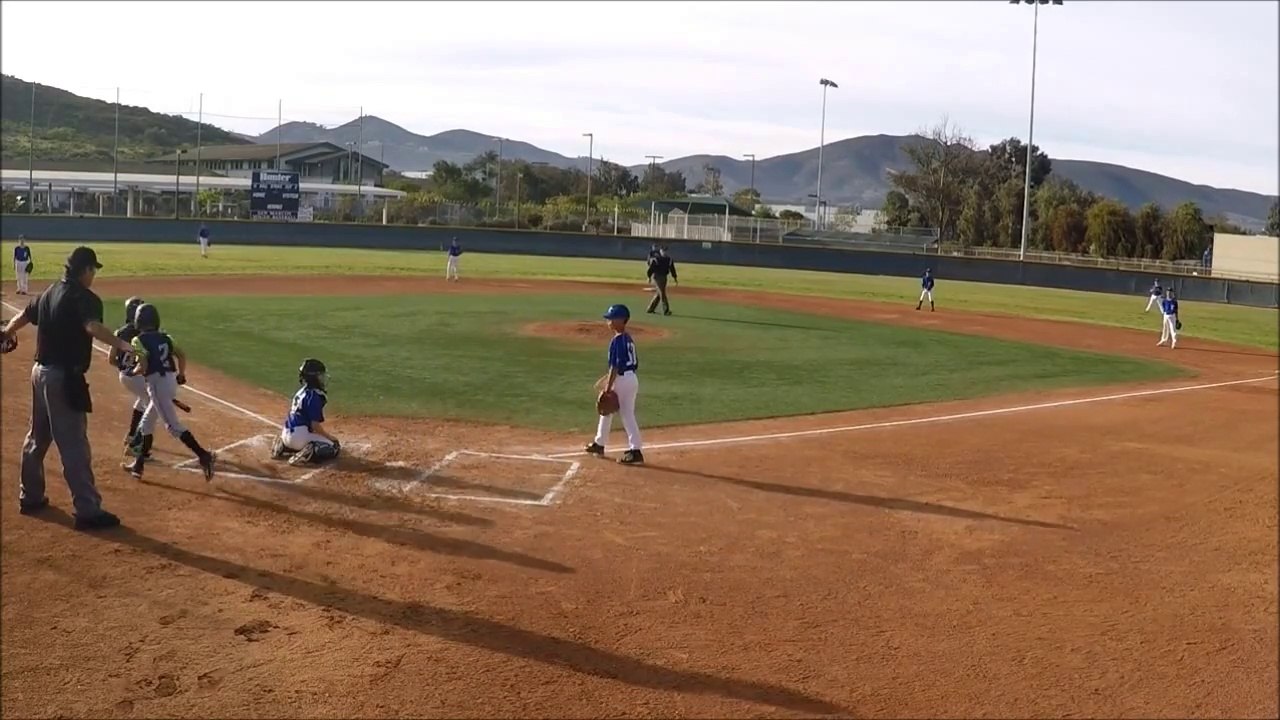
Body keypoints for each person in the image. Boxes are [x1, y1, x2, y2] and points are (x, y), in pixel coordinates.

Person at [0, 246, 136, 529]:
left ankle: (30, 496)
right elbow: (92, 327)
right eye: (93, 270)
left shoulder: (50, 291)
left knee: (37, 438)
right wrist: (123, 344)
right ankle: (88, 510)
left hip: (39, 374)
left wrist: (6, 332)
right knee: (74, 445)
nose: (94, 275)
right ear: (86, 270)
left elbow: (24, 315)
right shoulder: (85, 298)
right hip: (63, 378)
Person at [123, 303, 216, 480]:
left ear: (138, 321)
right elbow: (181, 355)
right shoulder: (166, 337)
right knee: (146, 424)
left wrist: (132, 372)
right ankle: (138, 465)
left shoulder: (138, 340)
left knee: (173, 427)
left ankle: (204, 456)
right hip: (170, 380)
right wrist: (181, 374)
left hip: (157, 385)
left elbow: (143, 366)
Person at [584, 304, 644, 465]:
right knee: (609, 412)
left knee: (622, 413)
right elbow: (630, 363)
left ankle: (635, 451)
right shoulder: (628, 338)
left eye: (611, 319)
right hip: (630, 378)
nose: (608, 321)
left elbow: (615, 366)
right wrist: (609, 379)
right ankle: (600, 443)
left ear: (621, 320)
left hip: (622, 380)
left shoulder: (617, 340)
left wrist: (607, 388)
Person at [271, 358, 342, 466]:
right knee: (334, 446)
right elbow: (315, 426)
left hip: (286, 434)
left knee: (301, 437)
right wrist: (330, 437)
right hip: (299, 438)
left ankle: (284, 446)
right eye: (320, 376)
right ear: (314, 378)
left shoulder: (301, 391)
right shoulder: (314, 396)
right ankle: (308, 454)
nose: (322, 378)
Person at [107, 296, 151, 455]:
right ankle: (136, 445)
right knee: (152, 407)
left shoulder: (119, 332)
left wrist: (125, 368)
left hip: (124, 376)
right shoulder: (145, 334)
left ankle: (131, 435)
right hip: (138, 376)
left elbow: (111, 359)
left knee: (142, 400)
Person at [645, 246, 678, 316]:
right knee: (662, 293)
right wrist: (649, 277)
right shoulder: (656, 259)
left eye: (665, 251)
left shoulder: (669, 259)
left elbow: (672, 269)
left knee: (659, 294)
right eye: (663, 251)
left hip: (664, 277)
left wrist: (675, 278)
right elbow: (651, 269)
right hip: (657, 277)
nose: (664, 252)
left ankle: (650, 309)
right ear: (660, 251)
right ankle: (666, 310)